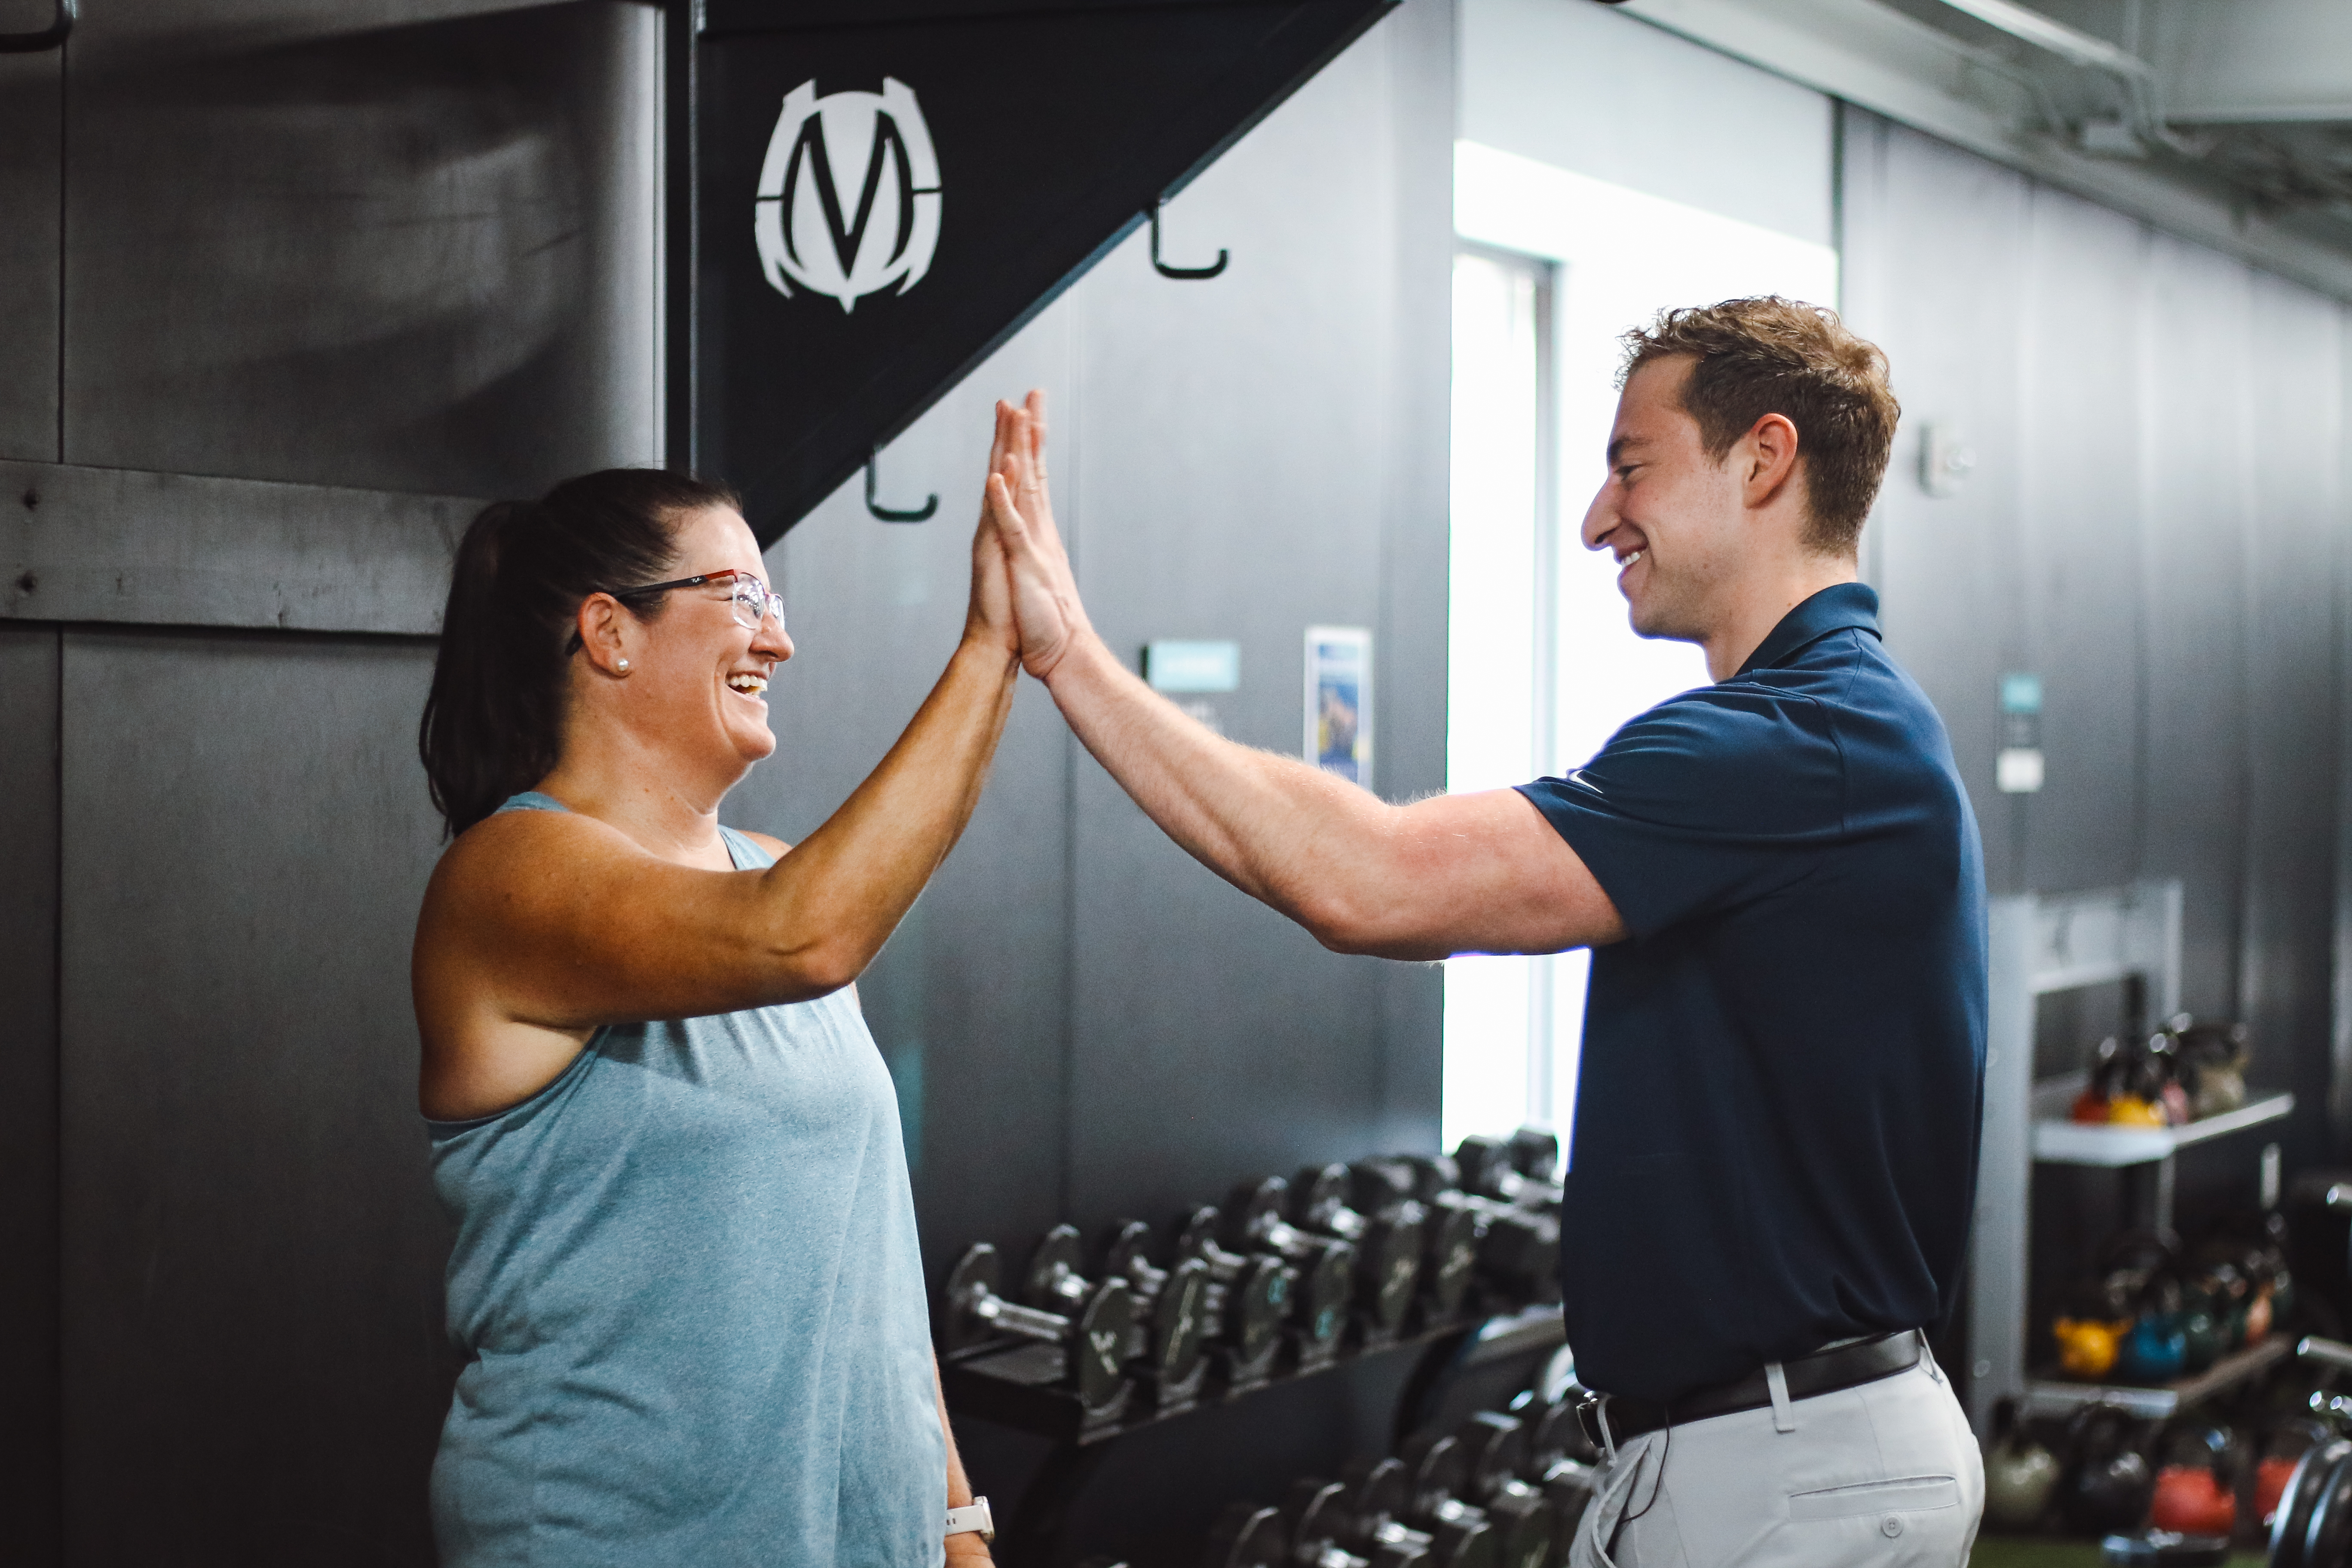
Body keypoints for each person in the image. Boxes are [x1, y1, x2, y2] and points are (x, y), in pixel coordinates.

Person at [982, 298, 1988, 1566]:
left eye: (1633, 468)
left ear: (1765, 460)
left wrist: (1068, 651)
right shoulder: (1838, 738)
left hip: (1783, 1469)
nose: (1596, 519)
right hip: (1757, 1457)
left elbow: (1371, 883)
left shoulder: (1800, 746)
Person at [409, 407, 1038, 1565]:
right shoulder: (505, 880)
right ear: (611, 633)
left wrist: (955, 1518)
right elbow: (808, 936)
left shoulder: (772, 876)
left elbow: (870, 1260)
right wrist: (990, 647)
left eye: (777, 604)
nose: (779, 642)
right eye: (744, 599)